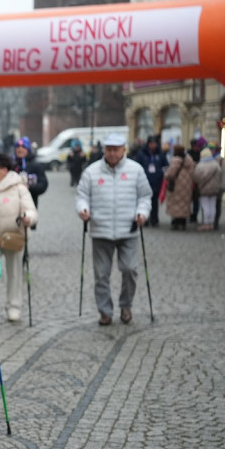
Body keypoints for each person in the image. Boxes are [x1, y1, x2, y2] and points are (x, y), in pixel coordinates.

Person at [76, 132, 152, 325]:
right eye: (108, 150)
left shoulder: (136, 170)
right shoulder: (91, 171)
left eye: (115, 150)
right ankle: (105, 311)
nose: (111, 154)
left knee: (130, 269)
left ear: (123, 150)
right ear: (104, 150)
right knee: (101, 274)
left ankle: (126, 305)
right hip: (100, 229)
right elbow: (82, 195)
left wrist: (142, 212)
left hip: (129, 228)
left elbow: (145, 196)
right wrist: (83, 209)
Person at [0, 153, 37, 323]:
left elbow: (32, 211)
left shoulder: (19, 187)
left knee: (15, 274)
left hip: (14, 238)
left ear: (4, 170)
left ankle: (14, 307)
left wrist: (28, 217)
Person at [134, 135, 168, 227]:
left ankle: (154, 219)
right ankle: (145, 218)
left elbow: (165, 166)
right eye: (151, 143)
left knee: (154, 201)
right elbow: (137, 166)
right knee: (145, 200)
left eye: (154, 143)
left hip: (157, 181)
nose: (153, 145)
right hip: (145, 181)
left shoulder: (160, 154)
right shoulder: (142, 154)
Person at [12, 136, 48, 212]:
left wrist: (29, 187)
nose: (20, 149)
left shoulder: (36, 166)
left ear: (28, 149)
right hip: (11, 205)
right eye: (18, 146)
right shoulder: (11, 165)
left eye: (23, 147)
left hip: (30, 205)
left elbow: (43, 185)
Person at [164, 145, 195, 230]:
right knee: (184, 203)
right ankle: (183, 222)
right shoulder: (189, 160)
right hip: (187, 186)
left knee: (176, 203)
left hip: (177, 185)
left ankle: (176, 222)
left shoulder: (175, 160)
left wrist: (165, 175)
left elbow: (170, 174)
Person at [193, 148, 222, 231]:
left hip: (204, 189)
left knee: (205, 207)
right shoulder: (216, 164)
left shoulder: (200, 165)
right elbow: (220, 175)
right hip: (214, 189)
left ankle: (205, 223)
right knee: (212, 206)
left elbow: (195, 178)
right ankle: (211, 224)